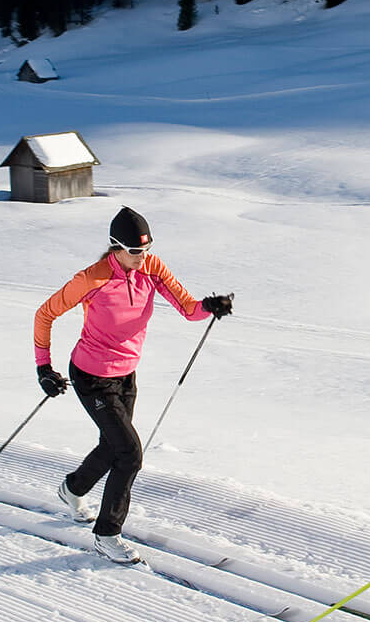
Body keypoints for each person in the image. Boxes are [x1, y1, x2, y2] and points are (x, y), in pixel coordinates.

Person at [34, 206, 233, 564]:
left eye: (146, 249)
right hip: (91, 376)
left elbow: (188, 309)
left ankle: (72, 489)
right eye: (135, 252)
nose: (143, 258)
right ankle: (107, 534)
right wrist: (43, 368)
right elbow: (44, 314)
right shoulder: (91, 279)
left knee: (112, 447)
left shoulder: (153, 269)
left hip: (126, 374)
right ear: (115, 247)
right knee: (130, 454)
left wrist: (209, 306)